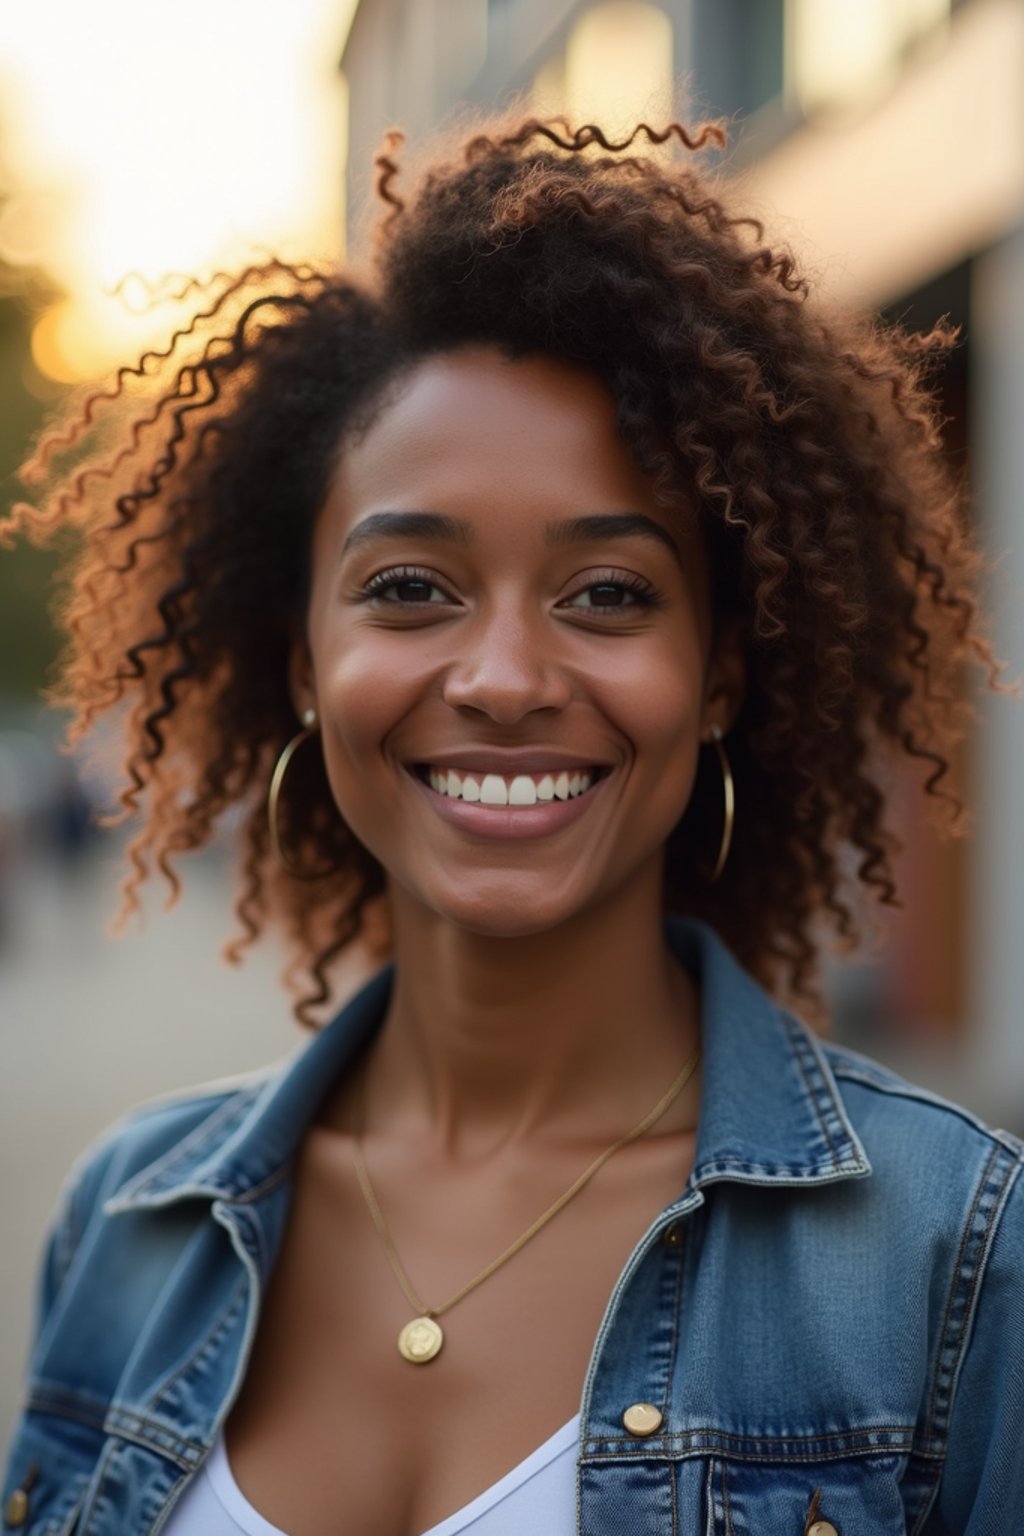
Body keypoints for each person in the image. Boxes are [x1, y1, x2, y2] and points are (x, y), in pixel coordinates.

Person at [2, 115, 1021, 1536]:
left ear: (720, 674)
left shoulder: (952, 1261)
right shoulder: (126, 1221)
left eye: (608, 594)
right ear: (301, 660)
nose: (500, 679)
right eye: (410, 587)